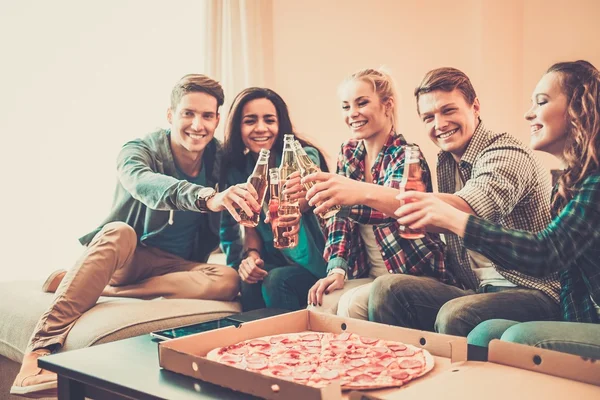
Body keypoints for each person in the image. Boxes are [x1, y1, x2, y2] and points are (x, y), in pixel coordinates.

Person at [10, 74, 258, 398]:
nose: (198, 124)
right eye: (188, 113)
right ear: (171, 116)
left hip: (178, 265)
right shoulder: (138, 150)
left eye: (207, 116)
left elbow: (229, 225)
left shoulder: (220, 158)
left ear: (217, 120)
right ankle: (37, 353)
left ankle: (104, 286)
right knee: (119, 231)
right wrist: (205, 197)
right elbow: (144, 184)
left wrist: (247, 258)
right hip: (130, 254)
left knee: (227, 278)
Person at [411, 60, 600, 359]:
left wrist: (457, 220)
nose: (528, 113)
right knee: (486, 333)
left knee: (516, 337)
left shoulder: (595, 185)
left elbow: (546, 253)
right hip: (578, 315)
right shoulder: (569, 186)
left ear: (579, 109)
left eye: (541, 102)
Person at [357, 67, 561, 335]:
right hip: (475, 288)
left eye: (448, 110)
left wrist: (360, 192)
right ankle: (407, 369)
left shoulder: (505, 152)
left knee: (456, 313)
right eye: (429, 117)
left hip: (534, 290)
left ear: (475, 106)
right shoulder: (445, 162)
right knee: (388, 288)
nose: (439, 124)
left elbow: (468, 209)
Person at [303, 68, 450, 320]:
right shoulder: (349, 153)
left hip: (412, 272)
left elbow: (393, 208)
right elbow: (340, 221)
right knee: (319, 304)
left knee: (352, 305)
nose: (353, 114)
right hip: (367, 272)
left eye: (362, 103)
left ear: (387, 105)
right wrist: (336, 269)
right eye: (346, 107)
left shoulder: (406, 154)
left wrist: (343, 198)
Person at [219, 87, 328, 312]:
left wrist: (296, 202)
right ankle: (253, 346)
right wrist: (251, 257)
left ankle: (290, 346)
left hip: (318, 265)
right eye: (250, 121)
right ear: (238, 127)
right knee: (250, 282)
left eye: (269, 120)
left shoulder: (302, 155)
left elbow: (306, 196)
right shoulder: (238, 171)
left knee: (276, 281)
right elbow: (251, 228)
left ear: (281, 125)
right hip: (278, 259)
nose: (261, 128)